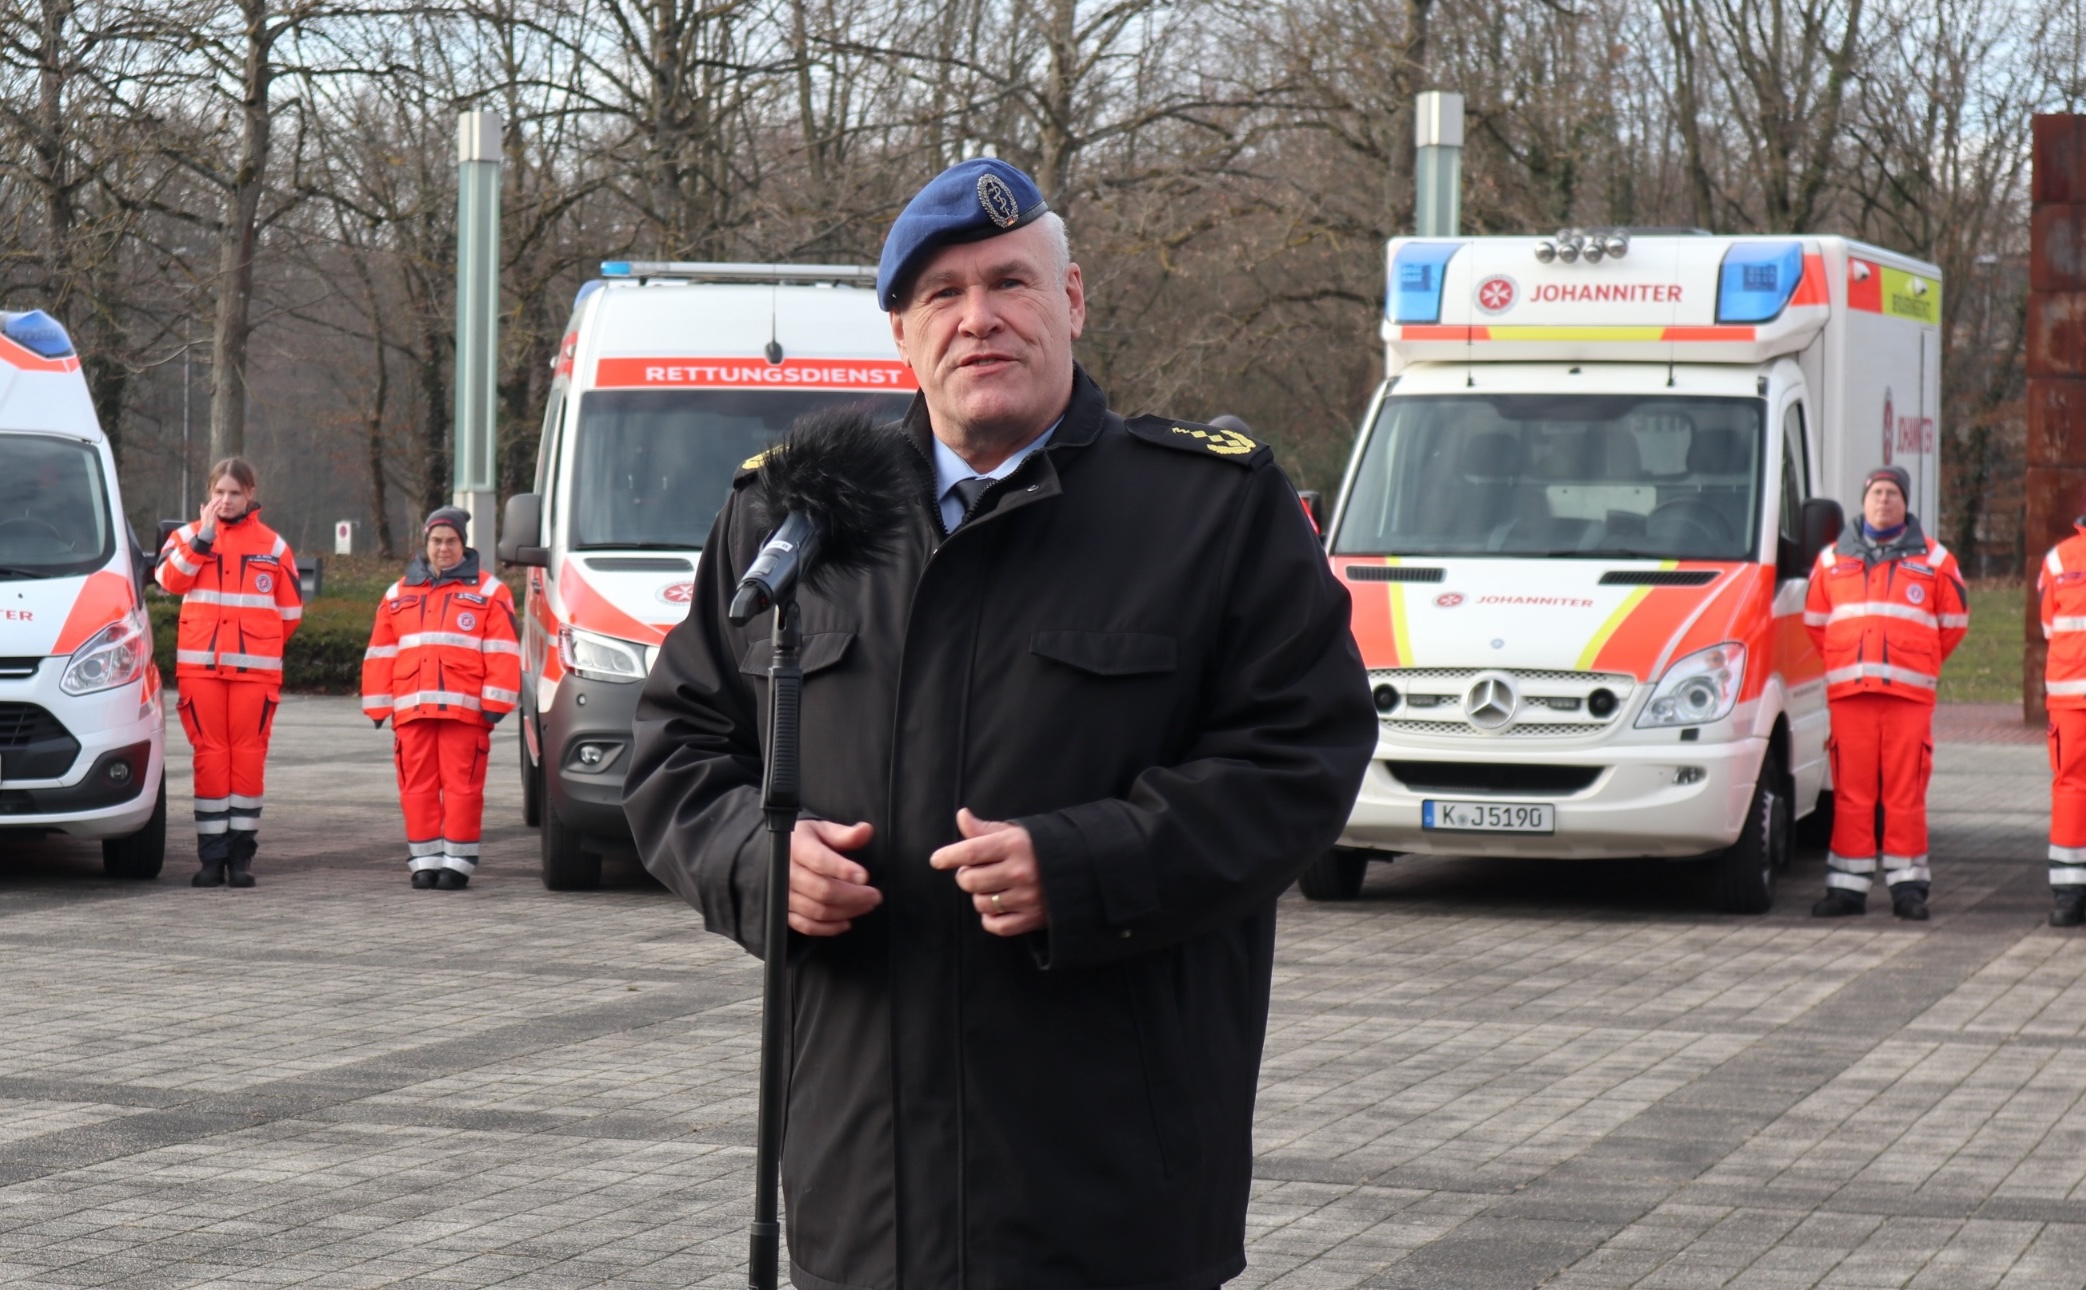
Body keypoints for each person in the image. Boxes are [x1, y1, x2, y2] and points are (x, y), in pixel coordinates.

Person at [624, 157, 1375, 1290]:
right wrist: (755, 860)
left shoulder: (1209, 512)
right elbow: (675, 752)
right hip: (859, 1194)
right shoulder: (790, 520)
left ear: (1070, 302)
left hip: (1114, 1199)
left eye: (1010, 283)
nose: (980, 319)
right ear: (900, 332)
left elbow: (1301, 758)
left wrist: (1084, 868)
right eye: (942, 295)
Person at [1803, 465, 1968, 920]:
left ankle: (1908, 888)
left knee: (1904, 794)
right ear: (1863, 499)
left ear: (1905, 502)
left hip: (1907, 700)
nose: (1883, 501)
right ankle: (1847, 890)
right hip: (1851, 697)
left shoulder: (1936, 562)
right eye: (1876, 492)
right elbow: (1816, 623)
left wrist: (1916, 663)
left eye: (1892, 493)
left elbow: (1952, 626)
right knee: (1852, 795)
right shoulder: (1832, 560)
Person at [156, 457, 303, 887]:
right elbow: (169, 580)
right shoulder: (185, 537)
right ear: (208, 494)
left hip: (254, 676)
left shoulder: (273, 547)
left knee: (248, 760)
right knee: (211, 758)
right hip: (201, 671)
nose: (225, 500)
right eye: (218, 492)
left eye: (234, 493)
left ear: (250, 495)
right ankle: (210, 857)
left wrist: (257, 649)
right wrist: (203, 539)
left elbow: (290, 615)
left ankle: (240, 856)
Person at [360, 506, 520, 889]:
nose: (443, 548)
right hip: (412, 712)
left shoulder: (490, 592)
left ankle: (458, 862)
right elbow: (381, 652)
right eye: (436, 541)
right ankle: (424, 860)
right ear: (425, 543)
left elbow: (503, 652)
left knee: (463, 788)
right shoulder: (398, 593)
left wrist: (496, 705)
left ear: (463, 545)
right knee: (417, 789)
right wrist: (378, 705)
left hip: (465, 714)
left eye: (451, 541)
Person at [2039, 510, 2086, 925]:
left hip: (2071, 692)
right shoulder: (2061, 559)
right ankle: (2070, 893)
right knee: (2071, 790)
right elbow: (2050, 626)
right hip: (2072, 700)